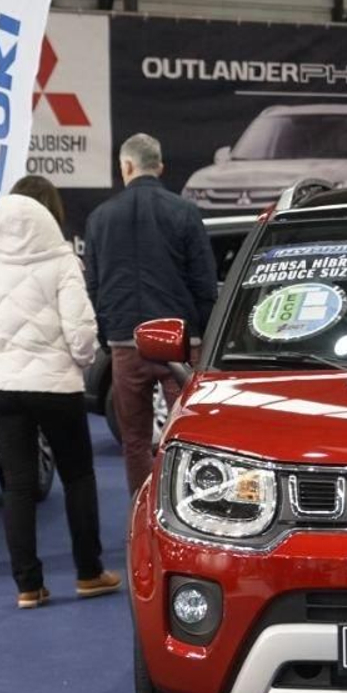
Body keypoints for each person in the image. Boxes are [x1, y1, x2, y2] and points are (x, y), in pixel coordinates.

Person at [0, 175, 121, 609]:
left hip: (1, 388)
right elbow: (82, 330)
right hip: (56, 387)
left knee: (17, 485)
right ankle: (89, 573)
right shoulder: (62, 259)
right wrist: (81, 362)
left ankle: (27, 586)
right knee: (78, 476)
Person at [83, 133, 219, 494]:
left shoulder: (100, 218)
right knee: (190, 439)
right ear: (159, 167)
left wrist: (108, 338)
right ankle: (187, 512)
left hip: (126, 344)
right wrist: (203, 339)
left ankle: (140, 516)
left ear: (126, 167)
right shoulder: (185, 212)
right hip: (180, 344)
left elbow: (93, 286)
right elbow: (204, 282)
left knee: (135, 441)